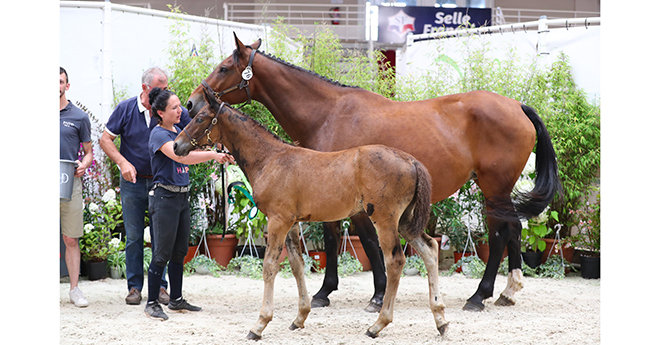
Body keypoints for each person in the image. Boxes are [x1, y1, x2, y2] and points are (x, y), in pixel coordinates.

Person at [100, 67, 191, 305]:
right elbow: (105, 139)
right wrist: (122, 162)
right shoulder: (126, 109)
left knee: (163, 238)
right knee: (133, 236)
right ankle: (134, 287)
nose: (165, 92)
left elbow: (193, 129)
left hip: (163, 185)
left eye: (167, 87)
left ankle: (161, 287)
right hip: (134, 182)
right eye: (160, 88)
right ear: (145, 88)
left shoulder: (168, 112)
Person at [144, 87, 235, 320]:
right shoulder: (158, 135)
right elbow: (179, 155)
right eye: (174, 107)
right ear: (160, 113)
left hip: (181, 196)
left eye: (179, 106)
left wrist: (217, 149)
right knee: (161, 253)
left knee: (180, 251)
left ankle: (175, 299)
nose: (180, 110)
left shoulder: (179, 130)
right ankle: (152, 302)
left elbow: (195, 150)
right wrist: (213, 155)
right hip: (164, 198)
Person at [60, 67, 93, 307]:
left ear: (67, 86)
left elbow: (89, 152)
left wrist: (83, 164)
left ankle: (74, 290)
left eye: (59, 81)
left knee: (70, 238)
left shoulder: (79, 117)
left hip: (69, 182)